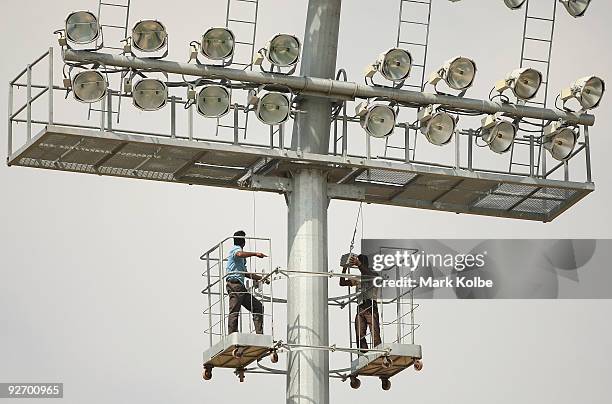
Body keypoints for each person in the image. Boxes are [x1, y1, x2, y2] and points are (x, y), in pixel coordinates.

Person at [226, 230, 268, 335]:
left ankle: (259, 334)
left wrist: (261, 278)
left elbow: (245, 273)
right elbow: (239, 254)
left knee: (257, 306)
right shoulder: (236, 250)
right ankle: (232, 335)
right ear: (243, 242)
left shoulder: (240, 258)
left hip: (240, 287)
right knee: (234, 311)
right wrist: (255, 254)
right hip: (234, 285)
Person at [340, 254, 382, 351]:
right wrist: (344, 269)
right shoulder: (358, 278)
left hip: (371, 305)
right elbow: (342, 283)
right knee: (359, 334)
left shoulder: (374, 275)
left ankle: (379, 353)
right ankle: (364, 354)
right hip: (360, 307)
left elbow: (370, 276)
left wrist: (359, 264)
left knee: (375, 332)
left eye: (359, 261)